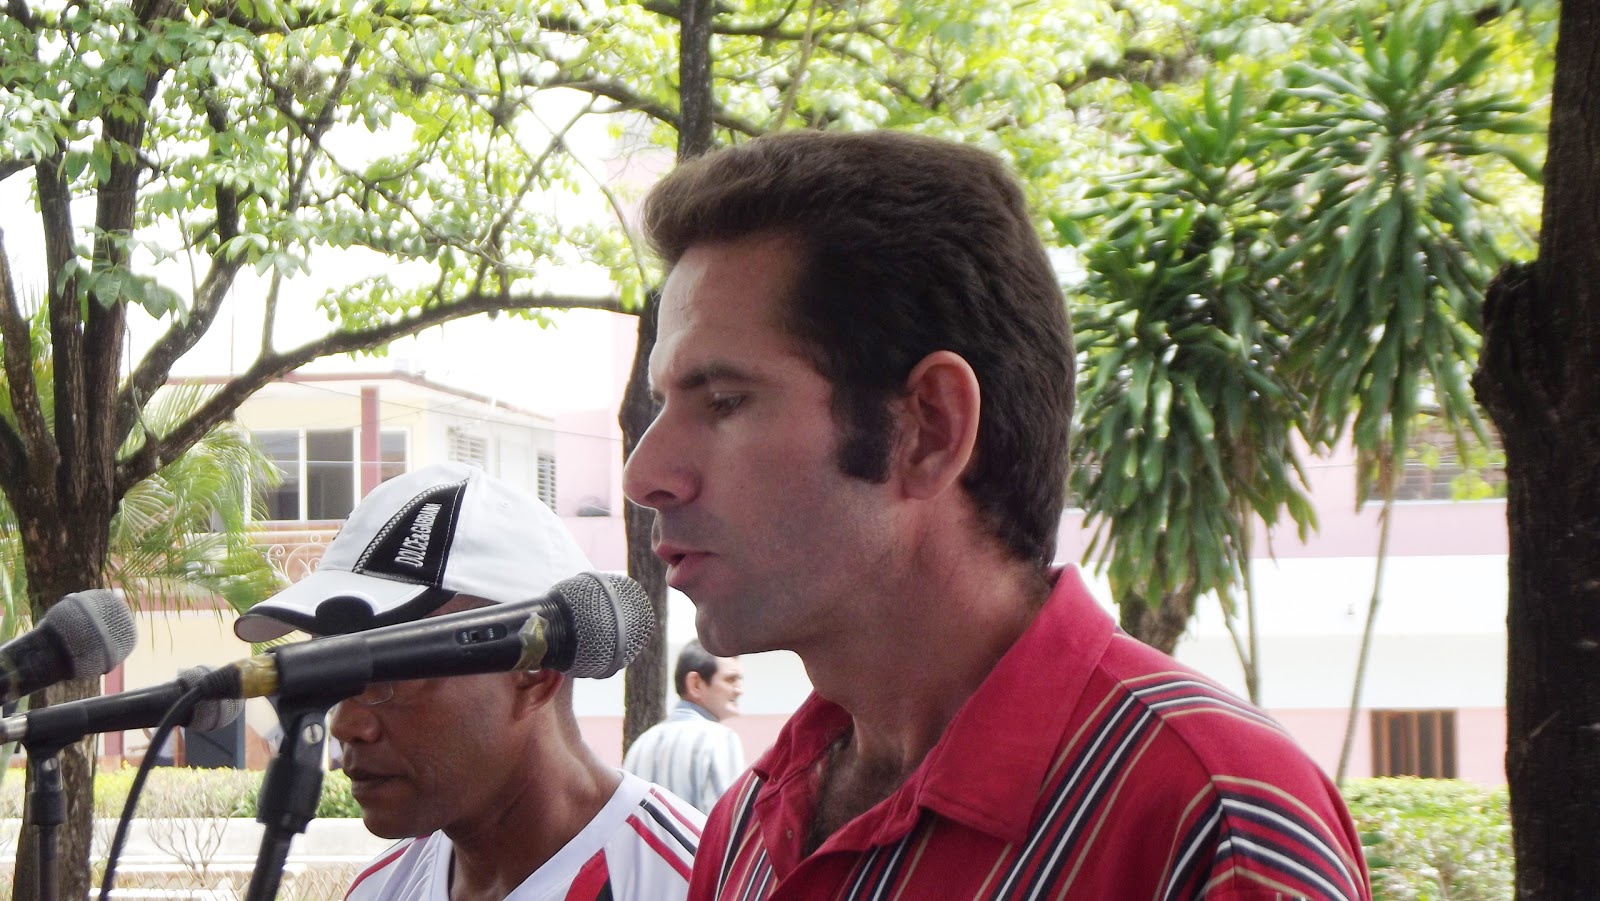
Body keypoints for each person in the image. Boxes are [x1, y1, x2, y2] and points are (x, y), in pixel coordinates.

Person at [622, 130, 1371, 900]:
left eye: (725, 402)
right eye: (661, 405)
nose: (643, 476)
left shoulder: (1215, 824)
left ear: (929, 429)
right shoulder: (745, 827)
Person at [233, 462, 703, 901]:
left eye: (391, 669)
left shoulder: (695, 883)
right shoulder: (378, 889)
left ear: (534, 673)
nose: (346, 724)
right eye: (336, 673)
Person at [622, 641, 746, 813]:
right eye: (730, 679)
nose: (739, 690)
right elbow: (729, 820)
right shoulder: (720, 739)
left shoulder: (642, 743)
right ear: (695, 684)